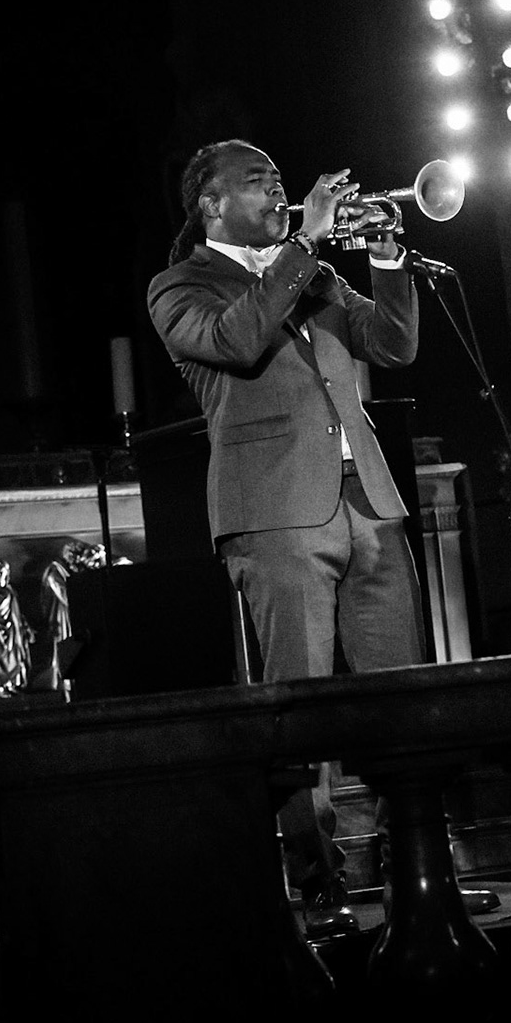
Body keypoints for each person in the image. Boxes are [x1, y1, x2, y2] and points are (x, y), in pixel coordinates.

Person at [147, 138, 423, 924]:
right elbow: (237, 341)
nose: (278, 189)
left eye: (278, 177)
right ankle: (318, 881)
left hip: (365, 501)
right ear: (209, 203)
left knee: (400, 697)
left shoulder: (313, 274)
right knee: (296, 710)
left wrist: (390, 260)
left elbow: (393, 346)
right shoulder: (180, 286)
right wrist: (302, 245)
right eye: (259, 179)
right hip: (274, 515)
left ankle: (415, 869)